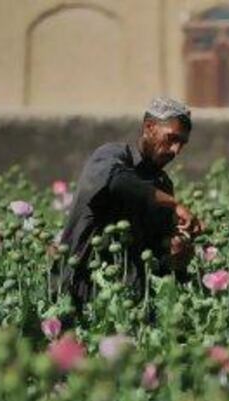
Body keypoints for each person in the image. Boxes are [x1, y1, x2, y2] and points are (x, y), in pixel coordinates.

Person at [50, 96, 203, 315]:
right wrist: (174, 204)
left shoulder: (163, 184)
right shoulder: (112, 156)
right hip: (81, 293)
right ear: (149, 127)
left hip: (132, 305)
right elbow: (115, 182)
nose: (176, 150)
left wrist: (176, 252)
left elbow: (155, 252)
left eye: (182, 144)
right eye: (171, 138)